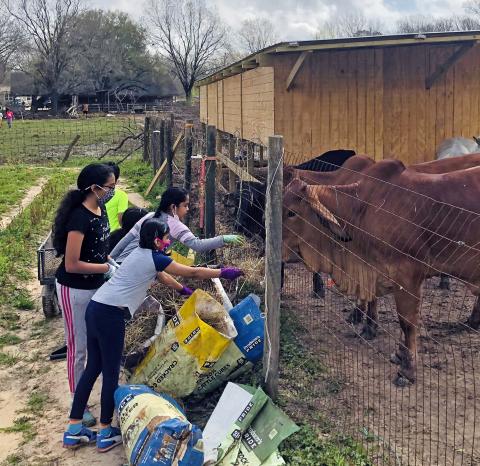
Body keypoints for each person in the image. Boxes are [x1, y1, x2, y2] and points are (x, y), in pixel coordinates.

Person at [63, 218, 243, 451]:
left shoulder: (140, 254)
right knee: (110, 373)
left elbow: (161, 276)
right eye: (167, 238)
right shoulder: (156, 258)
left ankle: (73, 430)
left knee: (93, 368)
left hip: (95, 308)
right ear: (157, 241)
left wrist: (183, 290)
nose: (169, 242)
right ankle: (106, 432)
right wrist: (223, 272)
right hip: (110, 317)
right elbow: (192, 271)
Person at [53, 163, 117, 428]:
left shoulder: (101, 209)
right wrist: (105, 268)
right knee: (77, 347)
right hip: (74, 289)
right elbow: (72, 264)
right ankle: (77, 402)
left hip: (96, 287)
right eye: (110, 187)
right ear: (94, 187)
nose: (113, 191)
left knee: (95, 344)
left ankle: (91, 391)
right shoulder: (79, 218)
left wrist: (110, 261)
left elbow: (99, 247)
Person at [110, 186, 244, 263]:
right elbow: (197, 245)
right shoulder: (174, 225)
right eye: (185, 205)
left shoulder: (149, 215)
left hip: (121, 263)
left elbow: (126, 240)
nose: (187, 209)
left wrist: (111, 260)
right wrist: (223, 239)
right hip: (139, 268)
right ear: (173, 207)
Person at [104, 161, 129, 232]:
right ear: (116, 180)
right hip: (113, 234)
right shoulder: (121, 195)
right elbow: (121, 219)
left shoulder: (94, 193)